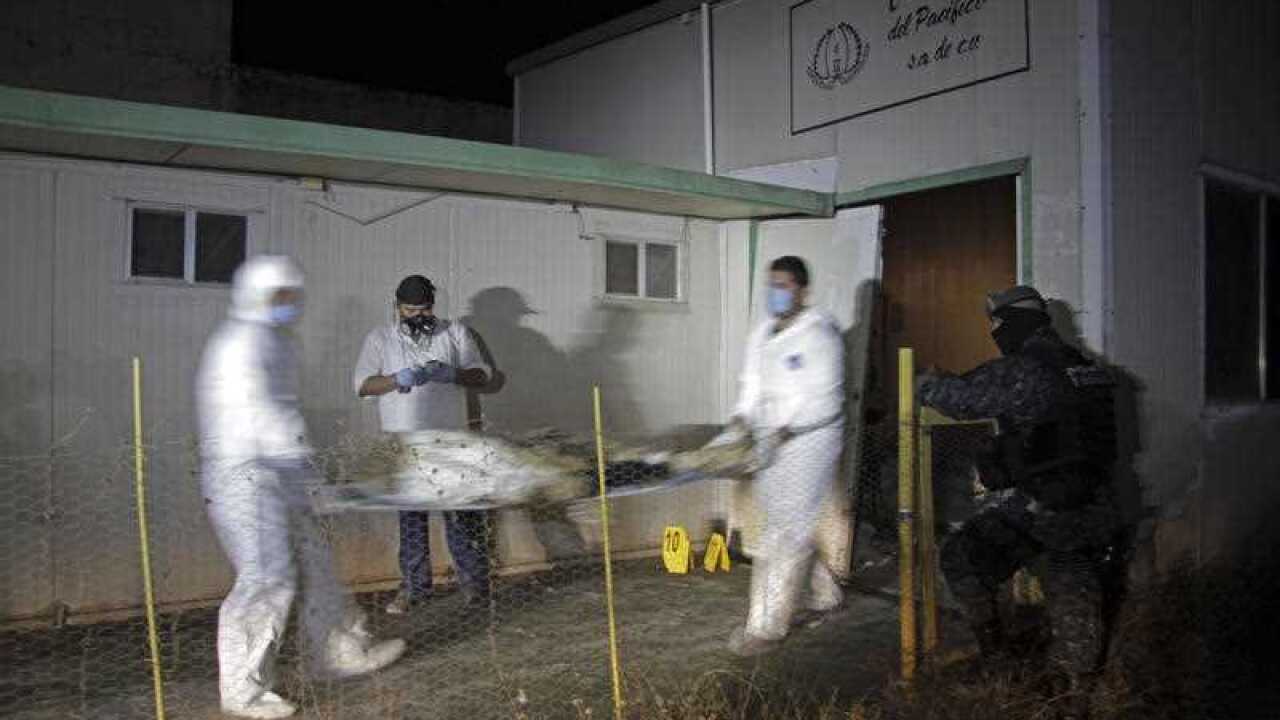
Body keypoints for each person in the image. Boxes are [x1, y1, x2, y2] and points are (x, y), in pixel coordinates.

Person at [197, 256, 404, 720]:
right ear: (255, 295)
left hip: (284, 470)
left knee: (316, 559)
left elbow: (287, 411)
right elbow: (258, 414)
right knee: (267, 577)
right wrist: (307, 469)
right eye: (280, 295)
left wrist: (306, 473)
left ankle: (339, 652)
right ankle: (244, 691)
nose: (289, 303)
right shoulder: (239, 343)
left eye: (293, 295)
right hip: (243, 475)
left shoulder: (281, 340)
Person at [917, 285, 1119, 678]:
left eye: (995, 325)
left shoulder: (1026, 369)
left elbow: (960, 398)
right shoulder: (1088, 369)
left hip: (1046, 514)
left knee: (963, 557)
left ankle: (1000, 658)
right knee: (1074, 604)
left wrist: (927, 383)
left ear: (1011, 322)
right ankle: (1073, 685)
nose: (995, 334)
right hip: (1093, 507)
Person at [723, 255, 846, 656]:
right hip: (769, 440)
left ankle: (766, 627)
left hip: (809, 442)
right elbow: (751, 383)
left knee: (784, 532)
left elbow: (825, 399)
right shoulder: (763, 332)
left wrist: (787, 429)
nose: (774, 293)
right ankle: (826, 594)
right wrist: (742, 419)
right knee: (787, 521)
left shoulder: (820, 336)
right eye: (771, 285)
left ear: (803, 291)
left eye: (783, 286)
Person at [354, 274, 494, 614]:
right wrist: (396, 379)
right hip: (405, 443)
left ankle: (475, 588)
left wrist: (452, 373)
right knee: (412, 519)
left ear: (433, 305)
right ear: (397, 307)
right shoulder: (380, 338)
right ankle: (415, 588)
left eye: (424, 309)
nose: (418, 315)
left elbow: (483, 374)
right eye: (410, 310)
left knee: (460, 516)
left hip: (451, 442)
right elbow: (362, 384)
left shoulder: (454, 332)